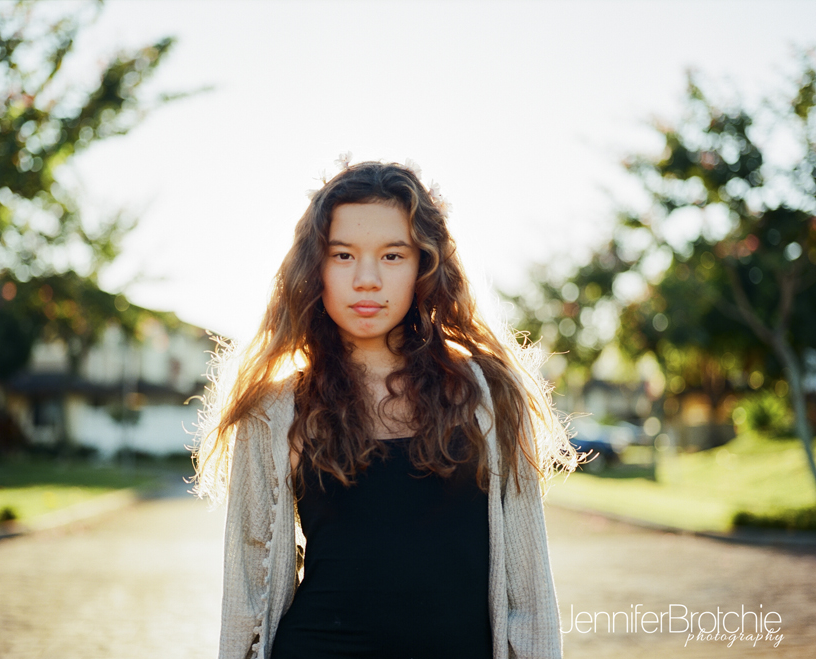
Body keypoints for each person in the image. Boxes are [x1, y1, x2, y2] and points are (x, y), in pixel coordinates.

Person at [193, 157, 577, 659]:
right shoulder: (274, 411)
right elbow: (247, 587)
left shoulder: (487, 395)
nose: (367, 279)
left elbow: (529, 589)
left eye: (392, 255)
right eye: (343, 255)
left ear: (425, 264)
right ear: (316, 268)